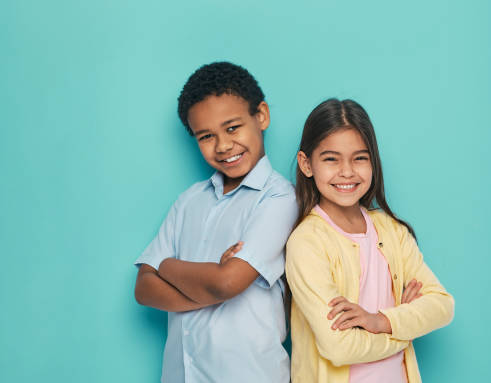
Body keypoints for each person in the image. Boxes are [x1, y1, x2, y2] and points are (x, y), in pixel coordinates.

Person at [134, 62, 297, 383]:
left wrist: (165, 267)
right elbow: (143, 288)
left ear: (261, 116)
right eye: (206, 136)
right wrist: (212, 289)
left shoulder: (279, 198)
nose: (223, 145)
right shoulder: (189, 201)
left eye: (233, 127)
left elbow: (228, 282)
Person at [285, 98, 454, 383]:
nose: (347, 171)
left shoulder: (391, 230)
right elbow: (338, 347)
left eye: (360, 158)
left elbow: (441, 305)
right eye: (331, 159)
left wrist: (381, 321)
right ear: (306, 164)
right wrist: (405, 329)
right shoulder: (307, 243)